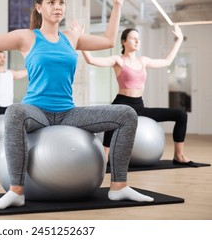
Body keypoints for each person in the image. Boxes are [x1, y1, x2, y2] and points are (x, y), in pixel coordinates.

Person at [0, 0, 154, 211]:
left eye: (61, 2)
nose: (58, 7)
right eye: (51, 2)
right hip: (36, 111)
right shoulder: (27, 37)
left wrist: (117, 5)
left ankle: (119, 187)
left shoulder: (72, 38)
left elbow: (109, 41)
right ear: (39, 7)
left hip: (68, 113)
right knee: (14, 111)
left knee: (127, 114)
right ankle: (16, 191)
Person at [75, 23, 198, 167]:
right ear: (123, 42)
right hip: (122, 103)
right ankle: (105, 158)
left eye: (138, 38)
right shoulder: (118, 60)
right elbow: (92, 60)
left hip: (139, 106)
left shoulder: (143, 61)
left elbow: (167, 61)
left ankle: (179, 155)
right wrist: (80, 39)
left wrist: (179, 40)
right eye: (133, 38)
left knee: (181, 115)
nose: (137, 41)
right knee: (111, 119)